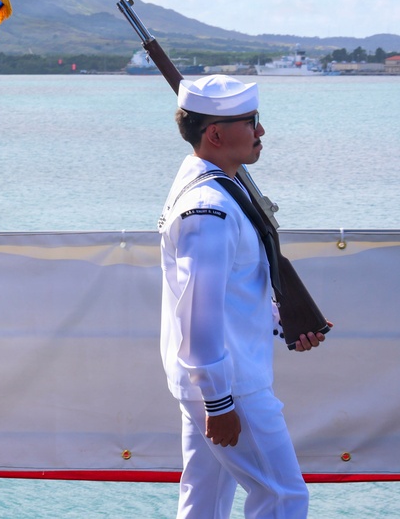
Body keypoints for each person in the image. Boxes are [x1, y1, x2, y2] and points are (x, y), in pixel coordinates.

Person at [158, 75, 330, 519]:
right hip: (229, 383)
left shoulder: (218, 189)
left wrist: (281, 320)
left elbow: (232, 287)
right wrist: (219, 401)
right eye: (251, 121)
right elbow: (198, 312)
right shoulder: (209, 208)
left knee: (206, 500)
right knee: (282, 497)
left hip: (213, 376)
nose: (261, 131)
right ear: (215, 134)